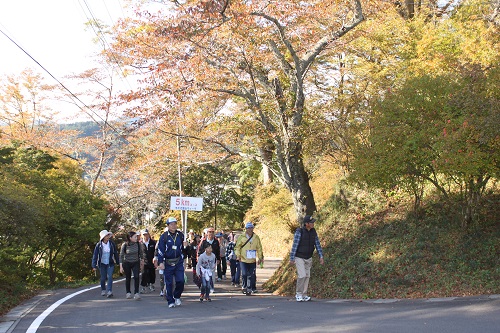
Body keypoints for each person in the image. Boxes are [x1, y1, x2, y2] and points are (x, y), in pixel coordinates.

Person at [289, 215, 324, 302]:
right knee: (302, 275)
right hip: (299, 257)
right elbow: (295, 245)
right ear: (306, 224)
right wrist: (292, 258)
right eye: (311, 223)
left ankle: (304, 294)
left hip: (309, 257)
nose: (313, 224)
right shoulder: (299, 232)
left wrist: (321, 256)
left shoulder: (313, 232)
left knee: (307, 276)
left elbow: (317, 244)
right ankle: (298, 294)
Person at [157, 217, 187, 308]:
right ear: (168, 225)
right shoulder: (164, 236)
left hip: (178, 261)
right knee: (169, 283)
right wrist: (160, 262)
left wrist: (186, 246)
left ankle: (177, 296)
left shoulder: (181, 235)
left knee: (181, 281)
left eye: (175, 224)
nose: (174, 226)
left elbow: (185, 251)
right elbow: (160, 250)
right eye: (171, 224)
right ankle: (170, 300)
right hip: (168, 262)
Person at [235, 222, 263, 296]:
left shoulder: (256, 237)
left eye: (251, 228)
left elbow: (259, 248)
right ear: (246, 229)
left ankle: (250, 288)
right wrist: (238, 255)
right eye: (248, 228)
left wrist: (260, 257)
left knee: (252, 274)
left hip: (252, 259)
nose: (250, 229)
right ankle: (244, 286)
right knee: (244, 274)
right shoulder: (241, 237)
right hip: (243, 259)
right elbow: (237, 247)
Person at [92, 230, 120, 298]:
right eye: (106, 235)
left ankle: (109, 291)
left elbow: (115, 253)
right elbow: (95, 255)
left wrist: (118, 262)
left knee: (110, 276)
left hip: (110, 263)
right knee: (103, 278)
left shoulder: (111, 244)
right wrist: (94, 265)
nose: (108, 236)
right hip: (102, 263)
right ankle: (103, 289)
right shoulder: (99, 245)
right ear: (103, 237)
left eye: (108, 235)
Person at [120, 231, 146, 300]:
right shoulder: (125, 245)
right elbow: (121, 256)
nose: (136, 238)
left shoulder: (138, 244)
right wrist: (121, 266)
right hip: (127, 263)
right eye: (135, 237)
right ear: (130, 238)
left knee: (136, 277)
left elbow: (141, 253)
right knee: (128, 278)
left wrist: (142, 261)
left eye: (136, 236)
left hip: (136, 262)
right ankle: (128, 292)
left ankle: (136, 293)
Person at [197, 227, 220, 292]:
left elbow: (218, 251)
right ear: (207, 233)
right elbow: (200, 250)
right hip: (204, 260)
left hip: (212, 260)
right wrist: (199, 258)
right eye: (209, 232)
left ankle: (211, 287)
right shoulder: (203, 241)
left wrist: (218, 259)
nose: (211, 234)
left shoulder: (216, 242)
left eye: (212, 232)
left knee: (212, 274)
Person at [140, 229, 157, 293]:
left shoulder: (153, 243)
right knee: (144, 273)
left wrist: (155, 259)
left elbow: (155, 251)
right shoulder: (140, 243)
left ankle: (151, 284)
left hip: (151, 260)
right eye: (144, 235)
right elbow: (139, 252)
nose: (145, 236)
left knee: (152, 273)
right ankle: (143, 286)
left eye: (146, 234)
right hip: (144, 261)